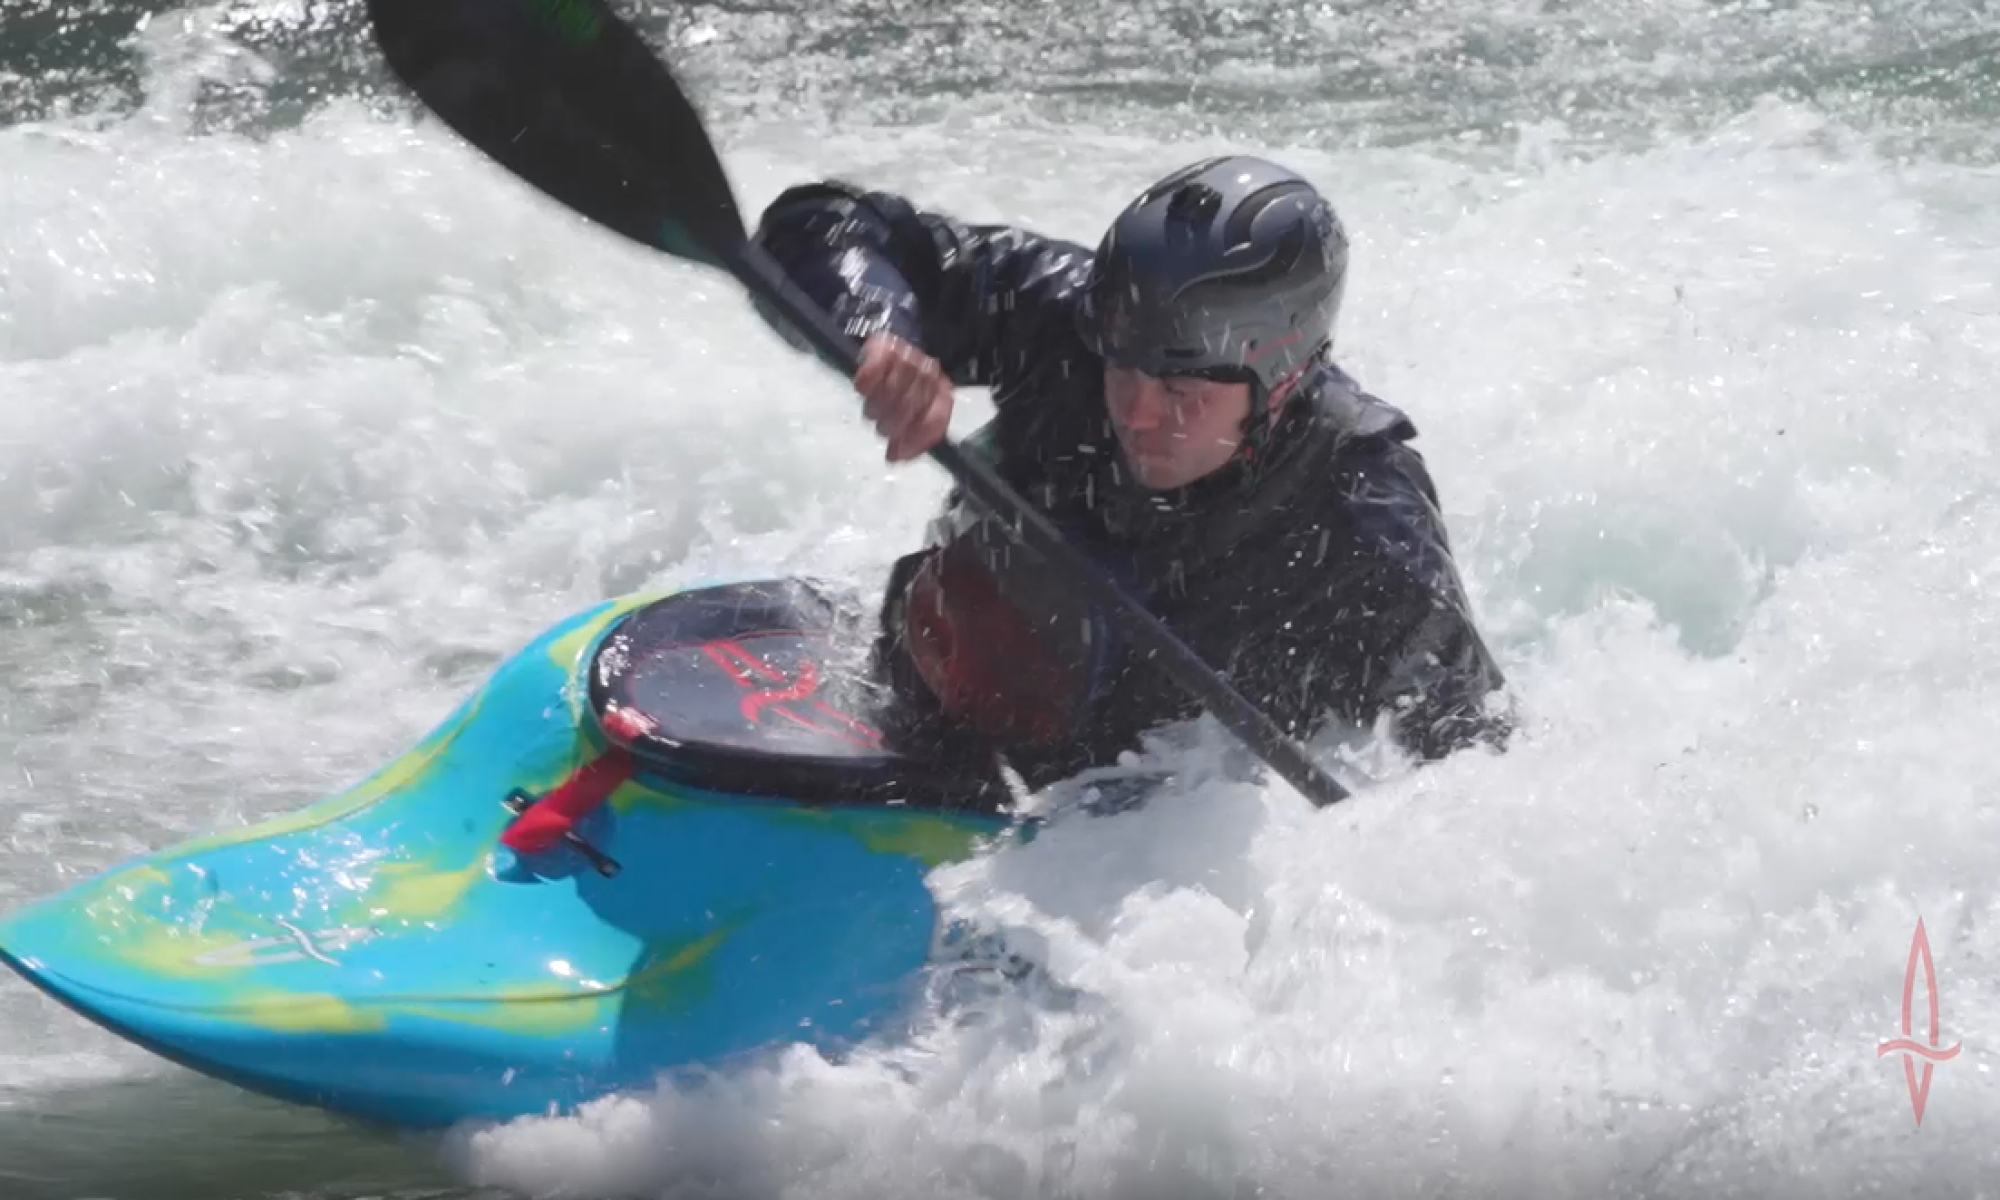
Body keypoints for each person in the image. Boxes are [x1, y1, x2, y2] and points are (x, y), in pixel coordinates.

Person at [749, 154, 1513, 802]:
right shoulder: (1067, 316)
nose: (1137, 414)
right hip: (918, 717)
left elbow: (1473, 770)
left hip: (1121, 858)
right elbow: (821, 223)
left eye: (1182, 393)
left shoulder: (1364, 516)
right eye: (1124, 371)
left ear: (1281, 384)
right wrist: (877, 331)